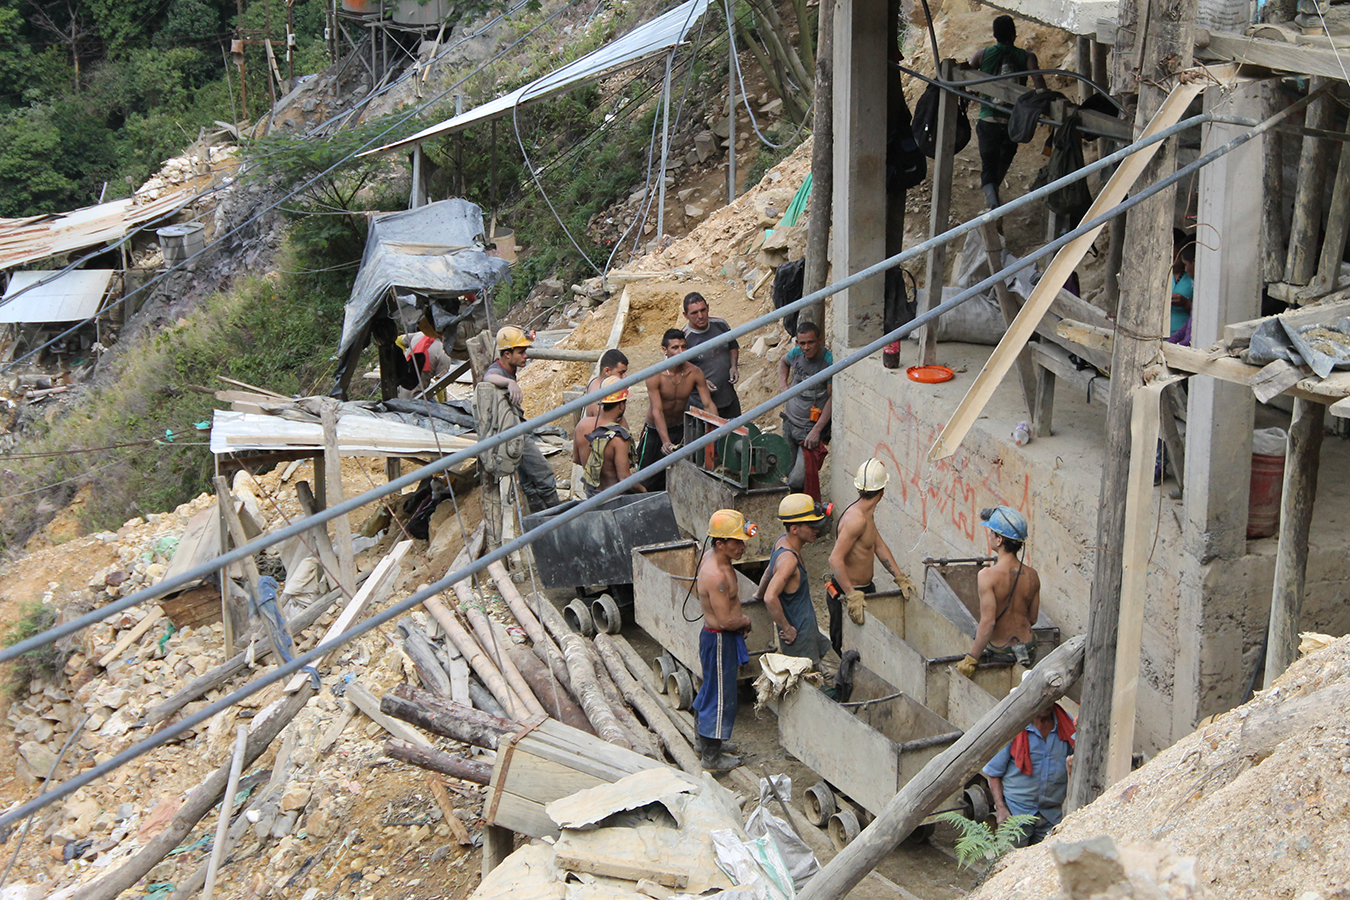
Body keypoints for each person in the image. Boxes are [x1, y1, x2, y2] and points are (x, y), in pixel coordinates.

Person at [693, 509, 757, 770]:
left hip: (718, 638)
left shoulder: (715, 558)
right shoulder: (716, 575)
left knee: (711, 689)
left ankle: (707, 740)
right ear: (720, 543)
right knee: (719, 695)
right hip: (719, 639)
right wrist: (746, 621)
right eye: (736, 542)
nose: (742, 547)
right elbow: (725, 621)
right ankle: (711, 757)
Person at [827, 459, 908, 654]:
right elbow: (834, 559)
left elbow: (878, 545)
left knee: (866, 649)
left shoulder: (866, 514)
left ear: (859, 489)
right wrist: (851, 595)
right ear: (883, 491)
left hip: (863, 591)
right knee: (844, 650)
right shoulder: (857, 520)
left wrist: (899, 577)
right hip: (847, 593)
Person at [969, 15, 1046, 209]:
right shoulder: (1027, 57)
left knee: (988, 167)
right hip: (1012, 123)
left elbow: (965, 79)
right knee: (1000, 168)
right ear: (1014, 34)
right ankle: (994, 204)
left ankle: (993, 204)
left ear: (994, 35)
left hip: (988, 120)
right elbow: (1039, 86)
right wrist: (1044, 108)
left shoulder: (981, 54)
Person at [483, 326, 560, 514]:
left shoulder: (507, 369)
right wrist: (509, 382)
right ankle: (559, 517)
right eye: (521, 352)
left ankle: (539, 520)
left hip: (515, 430)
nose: (526, 356)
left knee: (527, 481)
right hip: (513, 433)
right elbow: (487, 377)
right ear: (507, 354)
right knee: (544, 475)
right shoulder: (498, 371)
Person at [957, 506, 1041, 678]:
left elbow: (988, 623)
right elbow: (1032, 618)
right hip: (1029, 649)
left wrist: (972, 658)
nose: (989, 536)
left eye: (991, 533)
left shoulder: (987, 576)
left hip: (1001, 653)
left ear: (1000, 540)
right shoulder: (1032, 575)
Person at [982, 701, 1075, 846]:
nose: (1045, 702)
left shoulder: (1065, 723)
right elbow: (994, 773)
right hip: (1015, 813)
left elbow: (1076, 759)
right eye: (1041, 697)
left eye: (1050, 697)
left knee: (1046, 864)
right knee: (1010, 864)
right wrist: (1000, 808)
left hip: (1052, 815)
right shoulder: (1013, 728)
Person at [757, 494, 833, 666]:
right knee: (814, 686)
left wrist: (757, 594)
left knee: (837, 670)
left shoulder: (781, 543)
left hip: (809, 630)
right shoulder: (789, 561)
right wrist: (786, 628)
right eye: (811, 526)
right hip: (799, 638)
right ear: (795, 529)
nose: (817, 530)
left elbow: (769, 571)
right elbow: (770, 597)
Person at [636, 329, 715, 491]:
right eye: (675, 347)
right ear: (665, 350)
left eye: (683, 347)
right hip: (654, 432)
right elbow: (657, 410)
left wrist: (716, 431)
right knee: (646, 478)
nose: (680, 352)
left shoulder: (694, 373)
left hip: (679, 429)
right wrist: (665, 440)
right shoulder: (655, 375)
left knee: (677, 476)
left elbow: (708, 404)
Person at [777, 321, 833, 496]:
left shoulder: (828, 361)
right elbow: (783, 361)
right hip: (789, 422)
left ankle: (800, 508)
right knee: (787, 469)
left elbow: (833, 397)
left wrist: (817, 430)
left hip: (809, 429)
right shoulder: (795, 354)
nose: (806, 347)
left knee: (797, 479)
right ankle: (798, 509)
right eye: (802, 343)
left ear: (820, 340)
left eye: (811, 342)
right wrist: (783, 386)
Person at [575, 377, 645, 498]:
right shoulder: (619, 437)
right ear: (622, 405)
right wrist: (644, 491)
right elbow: (624, 479)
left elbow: (576, 459)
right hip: (614, 497)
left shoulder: (582, 425)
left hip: (592, 494)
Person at [682, 292, 742, 419]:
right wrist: (700, 382)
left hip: (728, 398)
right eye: (694, 313)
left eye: (703, 310)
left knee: (734, 435)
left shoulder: (721, 324)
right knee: (709, 438)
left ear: (708, 308)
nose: (701, 316)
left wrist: (733, 366)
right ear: (685, 315)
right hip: (701, 405)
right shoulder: (684, 339)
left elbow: (733, 346)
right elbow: (678, 372)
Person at [584, 349, 629, 417]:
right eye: (621, 373)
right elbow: (607, 424)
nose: (624, 377)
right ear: (607, 371)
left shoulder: (596, 382)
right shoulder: (601, 396)